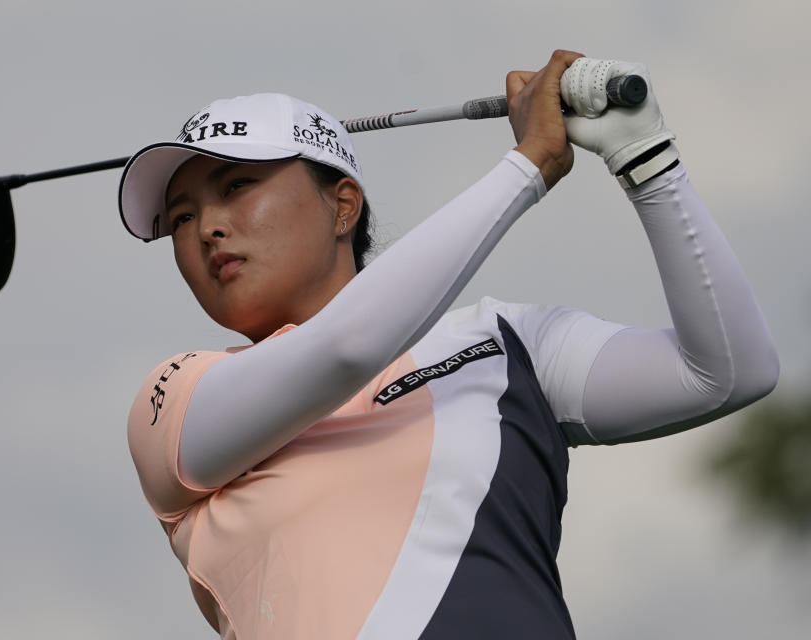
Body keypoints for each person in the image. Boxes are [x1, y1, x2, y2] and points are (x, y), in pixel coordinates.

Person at [120, 51, 778, 639]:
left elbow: (727, 372)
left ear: (342, 205)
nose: (207, 227)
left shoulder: (508, 342)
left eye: (236, 187)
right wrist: (527, 167)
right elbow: (347, 347)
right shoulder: (177, 396)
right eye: (181, 216)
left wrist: (647, 160)